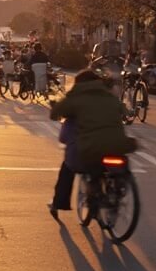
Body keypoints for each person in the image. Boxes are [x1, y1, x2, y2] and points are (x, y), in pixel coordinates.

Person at [47, 68, 137, 220]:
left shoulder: (76, 97)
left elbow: (55, 113)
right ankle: (116, 191)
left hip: (91, 148)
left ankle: (59, 203)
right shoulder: (110, 97)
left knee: (69, 166)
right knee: (116, 168)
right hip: (119, 145)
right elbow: (126, 113)